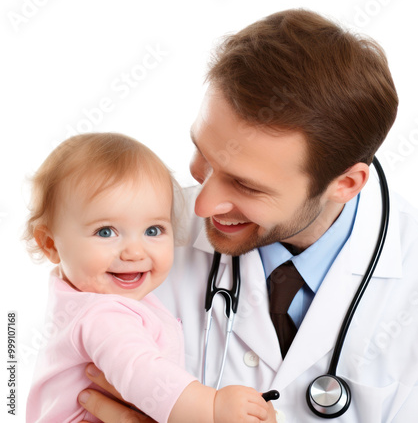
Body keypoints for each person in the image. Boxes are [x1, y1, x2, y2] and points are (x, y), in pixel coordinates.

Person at [78, 9, 418, 423]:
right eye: (204, 154)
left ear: (344, 184)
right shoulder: (124, 247)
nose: (199, 205)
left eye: (246, 185)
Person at [24, 133, 275, 423]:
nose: (134, 252)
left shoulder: (81, 297)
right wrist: (213, 407)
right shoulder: (102, 314)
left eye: (153, 230)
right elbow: (141, 372)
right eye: (106, 232)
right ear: (51, 244)